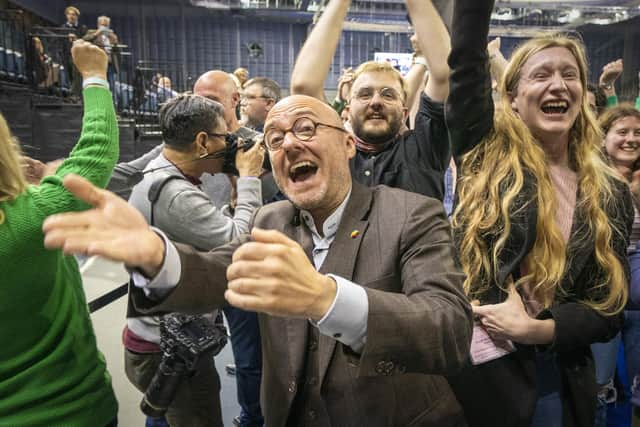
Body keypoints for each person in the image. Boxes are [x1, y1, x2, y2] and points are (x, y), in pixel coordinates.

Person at [42, 93, 473, 426]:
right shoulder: (272, 217)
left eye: (304, 128)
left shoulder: (411, 212)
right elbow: (220, 270)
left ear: (346, 144)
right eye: (275, 139)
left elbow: (448, 328)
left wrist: (326, 298)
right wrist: (159, 255)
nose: (288, 144)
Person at [445, 0, 634, 426]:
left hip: (558, 375)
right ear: (511, 98)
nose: (559, 84)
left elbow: (609, 308)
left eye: (570, 75)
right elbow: (465, 63)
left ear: (582, 94)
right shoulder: (483, 155)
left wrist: (538, 330)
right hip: (479, 370)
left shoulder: (609, 192)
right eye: (541, 74)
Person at [124, 94, 265, 427]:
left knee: (163, 417)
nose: (230, 144)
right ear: (202, 142)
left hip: (153, 338)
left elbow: (208, 231)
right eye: (224, 136)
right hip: (170, 351)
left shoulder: (160, 169)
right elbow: (238, 242)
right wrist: (248, 179)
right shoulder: (174, 195)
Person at [0, 40, 118, 426]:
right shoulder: (34, 215)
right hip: (76, 409)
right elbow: (96, 151)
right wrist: (95, 76)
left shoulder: (31, 207)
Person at [290, 0, 452, 200]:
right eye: (365, 94)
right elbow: (304, 86)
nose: (376, 102)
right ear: (347, 111)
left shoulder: (424, 149)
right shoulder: (334, 149)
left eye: (388, 94)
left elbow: (444, 72)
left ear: (404, 113)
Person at [593, 104, 640, 426]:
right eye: (622, 132)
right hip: (601, 296)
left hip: (637, 302)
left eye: (638, 133)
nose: (631, 139)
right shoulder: (587, 177)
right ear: (603, 136)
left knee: (632, 385)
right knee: (600, 383)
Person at [84, 16, 121, 95]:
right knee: (100, 86)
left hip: (110, 65)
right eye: (102, 25)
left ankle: (112, 104)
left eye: (106, 25)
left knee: (112, 87)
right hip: (97, 65)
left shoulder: (112, 36)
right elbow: (84, 40)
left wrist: (115, 42)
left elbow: (118, 52)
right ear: (98, 24)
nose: (104, 27)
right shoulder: (92, 32)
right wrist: (96, 34)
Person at [61, 6, 87, 98]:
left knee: (77, 76)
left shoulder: (82, 28)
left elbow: (85, 41)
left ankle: (76, 95)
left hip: (79, 56)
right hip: (66, 55)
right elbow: (61, 43)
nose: (71, 16)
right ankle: (71, 94)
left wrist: (77, 39)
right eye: (69, 14)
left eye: (73, 15)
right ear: (66, 16)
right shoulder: (63, 28)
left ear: (77, 16)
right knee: (69, 75)